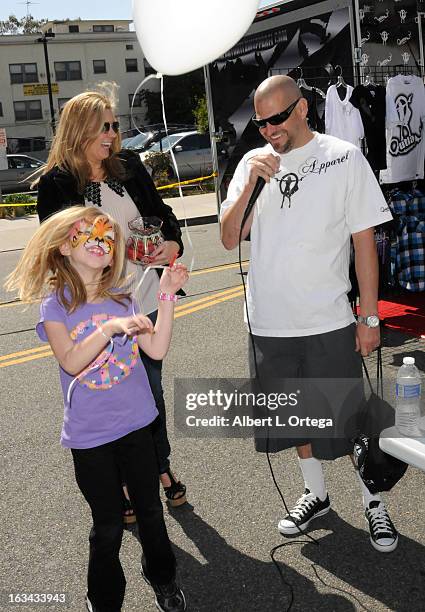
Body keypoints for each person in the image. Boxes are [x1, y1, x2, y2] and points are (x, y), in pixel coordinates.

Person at [220, 75, 398, 553]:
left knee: (349, 417)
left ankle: (372, 501)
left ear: (303, 108)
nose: (270, 129)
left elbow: (365, 243)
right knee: (294, 419)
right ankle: (315, 492)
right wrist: (249, 185)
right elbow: (228, 238)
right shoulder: (251, 165)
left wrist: (369, 316)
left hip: (328, 318)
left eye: (278, 117)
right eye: (260, 122)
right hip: (269, 321)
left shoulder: (343, 156)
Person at [5, 206, 189, 612]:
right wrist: (106, 329)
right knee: (107, 525)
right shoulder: (56, 306)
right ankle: (104, 597)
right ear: (63, 246)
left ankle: (163, 576)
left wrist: (166, 295)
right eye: (87, 233)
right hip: (90, 437)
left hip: (138, 425)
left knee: (151, 513)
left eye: (107, 236)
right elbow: (71, 360)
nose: (98, 241)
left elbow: (156, 348)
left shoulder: (122, 299)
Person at [35, 90, 187, 515]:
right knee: (107, 394)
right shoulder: (57, 184)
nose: (113, 133)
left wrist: (170, 244)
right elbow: (53, 248)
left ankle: (159, 467)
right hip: (92, 313)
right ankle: (120, 485)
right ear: (79, 129)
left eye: (115, 125)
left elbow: (162, 214)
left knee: (149, 391)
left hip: (142, 297)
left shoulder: (131, 167)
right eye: (104, 126)